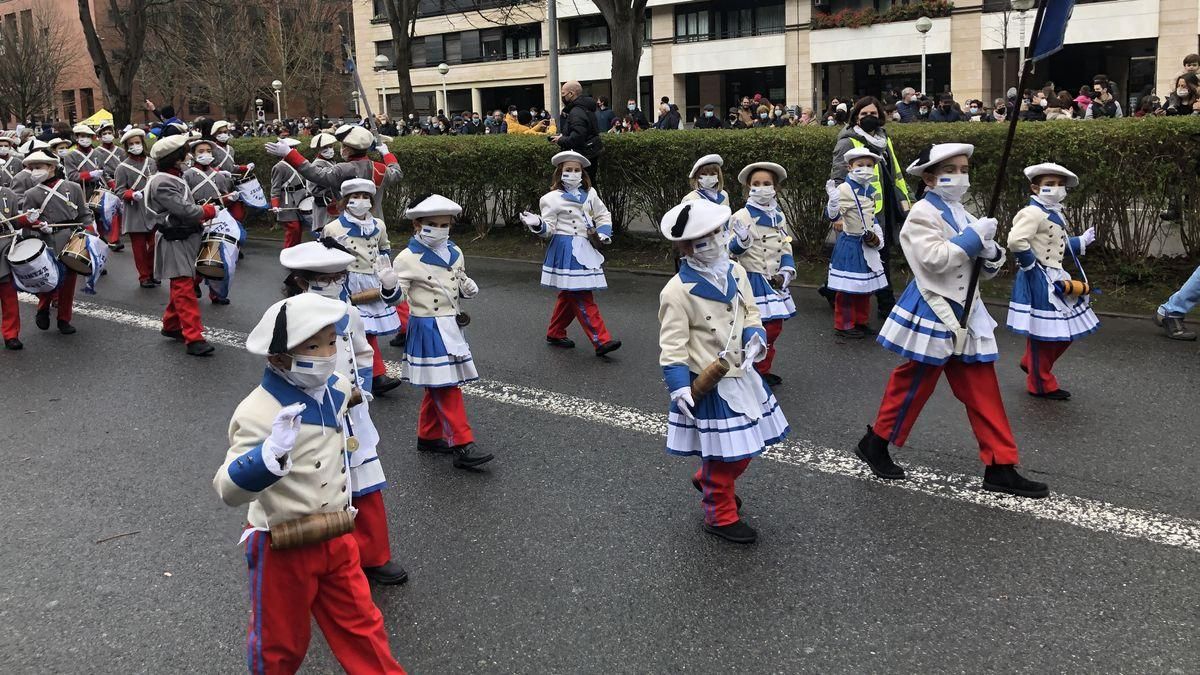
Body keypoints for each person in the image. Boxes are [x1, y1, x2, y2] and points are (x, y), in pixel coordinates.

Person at [213, 293, 407, 674]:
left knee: (364, 628)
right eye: (313, 346)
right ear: (277, 357)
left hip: (337, 533)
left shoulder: (334, 386)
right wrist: (268, 456)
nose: (327, 353)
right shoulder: (259, 411)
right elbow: (227, 489)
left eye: (331, 342)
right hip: (283, 543)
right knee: (280, 642)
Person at [856, 142, 1050, 499]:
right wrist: (976, 238)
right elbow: (932, 260)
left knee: (983, 389)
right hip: (934, 310)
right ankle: (876, 442)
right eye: (951, 170)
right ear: (929, 178)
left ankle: (1000, 465)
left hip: (968, 314)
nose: (960, 177)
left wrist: (991, 251)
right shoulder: (920, 215)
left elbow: (985, 270)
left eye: (964, 169)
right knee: (913, 385)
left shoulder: (965, 213)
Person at [657, 199, 789, 544]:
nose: (714, 241)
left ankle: (709, 479)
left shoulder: (736, 270)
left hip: (742, 374)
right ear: (685, 247)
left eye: (717, 232)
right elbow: (672, 346)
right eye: (703, 238)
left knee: (745, 449)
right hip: (709, 384)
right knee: (723, 455)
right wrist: (678, 388)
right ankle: (719, 515)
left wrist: (756, 338)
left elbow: (751, 313)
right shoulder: (676, 291)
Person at [278, 240, 409, 584]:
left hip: (352, 411)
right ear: (303, 280)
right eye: (324, 278)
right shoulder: (289, 313)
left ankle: (374, 555)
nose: (333, 283)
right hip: (312, 414)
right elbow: (279, 365)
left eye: (338, 276)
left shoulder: (349, 310)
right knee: (319, 484)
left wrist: (361, 390)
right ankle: (324, 559)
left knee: (365, 480)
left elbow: (363, 353)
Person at [392, 194, 493, 469]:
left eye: (445, 224)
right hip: (426, 327)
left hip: (451, 325)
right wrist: (388, 286)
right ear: (417, 225)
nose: (440, 229)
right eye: (432, 224)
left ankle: (427, 436)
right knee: (445, 386)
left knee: (437, 382)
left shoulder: (455, 251)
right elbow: (397, 299)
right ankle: (462, 444)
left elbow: (456, 283)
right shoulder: (406, 258)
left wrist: (467, 288)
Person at [1005, 163, 1099, 400]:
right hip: (1038, 277)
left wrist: (1080, 242)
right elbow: (1016, 242)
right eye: (1049, 185)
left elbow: (1052, 247)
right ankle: (1040, 382)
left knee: (1067, 329)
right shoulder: (1032, 212)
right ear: (1035, 188)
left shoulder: (1053, 211)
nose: (1056, 189)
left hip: (1055, 275)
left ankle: (1032, 363)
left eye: (1060, 185)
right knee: (1043, 332)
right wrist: (1029, 264)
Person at [520, 150, 621, 357]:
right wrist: (538, 224)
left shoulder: (590, 194)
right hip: (565, 248)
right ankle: (601, 340)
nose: (572, 173)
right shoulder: (550, 199)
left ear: (582, 173)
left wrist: (603, 234)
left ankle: (555, 332)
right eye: (568, 170)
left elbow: (603, 215)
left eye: (576, 170)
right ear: (560, 173)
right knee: (582, 294)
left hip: (585, 246)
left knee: (570, 293)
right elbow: (549, 230)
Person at [826, 96, 912, 318]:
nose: (869, 118)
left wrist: (906, 200)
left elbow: (896, 172)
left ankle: (830, 288)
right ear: (855, 117)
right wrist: (837, 215)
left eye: (873, 114)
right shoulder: (848, 140)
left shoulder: (884, 139)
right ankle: (886, 303)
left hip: (886, 204)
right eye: (864, 114)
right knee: (878, 253)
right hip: (861, 208)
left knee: (873, 254)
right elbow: (837, 177)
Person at [321, 179, 403, 395]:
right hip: (346, 283)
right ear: (346, 202)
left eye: (365, 197)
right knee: (350, 330)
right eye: (355, 197)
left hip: (373, 282)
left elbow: (384, 247)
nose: (361, 201)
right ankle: (366, 376)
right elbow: (325, 260)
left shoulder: (378, 225)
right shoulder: (333, 227)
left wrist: (385, 270)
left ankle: (371, 376)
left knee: (367, 331)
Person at [146, 131, 219, 357]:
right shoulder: (163, 182)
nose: (188, 157)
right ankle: (194, 337)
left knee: (184, 282)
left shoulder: (173, 177)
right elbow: (185, 210)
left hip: (185, 236)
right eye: (184, 154)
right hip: (174, 237)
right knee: (183, 286)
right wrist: (208, 210)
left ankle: (171, 324)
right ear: (175, 158)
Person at [728, 162, 794, 387]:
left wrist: (787, 270)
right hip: (753, 280)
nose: (762, 187)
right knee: (758, 330)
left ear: (775, 187)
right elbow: (729, 251)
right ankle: (750, 370)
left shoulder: (779, 216)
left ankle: (761, 370)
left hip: (775, 281)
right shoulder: (741, 216)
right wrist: (742, 241)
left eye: (767, 184)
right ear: (748, 188)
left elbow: (786, 244)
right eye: (756, 184)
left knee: (775, 328)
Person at [266, 125, 403, 231]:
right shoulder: (381, 169)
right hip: (376, 226)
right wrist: (386, 153)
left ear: (347, 149)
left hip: (349, 228)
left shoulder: (343, 169)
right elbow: (397, 173)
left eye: (342, 146)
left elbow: (313, 173)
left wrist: (290, 154)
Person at [19, 148, 94, 336]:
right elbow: (27, 222)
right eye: (32, 167)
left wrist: (90, 234)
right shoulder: (31, 194)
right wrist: (36, 223)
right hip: (46, 241)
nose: (36, 171)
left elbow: (84, 213)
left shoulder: (73, 188)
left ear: (52, 167)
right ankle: (43, 308)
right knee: (49, 278)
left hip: (70, 238)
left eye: (39, 166)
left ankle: (64, 319)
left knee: (69, 281)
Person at [824, 148, 888, 338]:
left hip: (866, 244)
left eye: (869, 165)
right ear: (849, 167)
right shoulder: (844, 189)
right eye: (860, 165)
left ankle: (860, 322)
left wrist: (877, 234)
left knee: (865, 287)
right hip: (850, 243)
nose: (865, 169)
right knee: (847, 288)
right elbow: (832, 216)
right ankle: (843, 325)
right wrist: (833, 203)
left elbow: (871, 216)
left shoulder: (869, 189)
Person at [183, 138, 241, 305]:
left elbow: (223, 198)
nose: (205, 154)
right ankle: (194, 284)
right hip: (197, 219)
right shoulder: (187, 175)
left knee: (215, 258)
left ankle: (216, 293)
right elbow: (184, 200)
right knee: (197, 256)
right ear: (193, 155)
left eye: (208, 151)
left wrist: (230, 197)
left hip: (216, 220)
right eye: (200, 151)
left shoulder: (218, 175)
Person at [113, 128, 159, 288]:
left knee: (155, 244)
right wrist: (131, 195)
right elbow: (119, 191)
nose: (135, 146)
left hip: (152, 209)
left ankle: (153, 272)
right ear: (126, 146)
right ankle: (144, 276)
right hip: (134, 210)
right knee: (139, 248)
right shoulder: (122, 167)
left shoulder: (152, 162)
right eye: (131, 144)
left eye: (138, 142)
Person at [0, 186, 39, 349]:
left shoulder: (8, 194)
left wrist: (28, 219)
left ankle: (11, 335)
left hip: (4, 248)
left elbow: (15, 222)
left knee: (8, 294)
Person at [554, 81, 604, 185]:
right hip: (589, 154)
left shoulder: (576, 112)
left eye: (563, 94)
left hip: (582, 156)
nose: (562, 97)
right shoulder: (586, 108)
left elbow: (577, 138)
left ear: (571, 94)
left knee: (584, 187)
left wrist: (560, 140)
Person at [267, 138, 310, 249]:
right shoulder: (279, 167)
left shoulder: (298, 163)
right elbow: (275, 188)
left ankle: (295, 253)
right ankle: (288, 252)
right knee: (293, 229)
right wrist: (275, 205)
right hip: (288, 201)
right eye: (291, 148)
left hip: (301, 198)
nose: (293, 150)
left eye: (294, 148)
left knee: (299, 230)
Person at [306, 132, 339, 233]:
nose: (329, 149)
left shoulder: (332, 162)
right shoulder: (317, 165)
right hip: (324, 205)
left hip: (335, 203)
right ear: (319, 149)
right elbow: (312, 188)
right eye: (326, 147)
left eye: (331, 146)